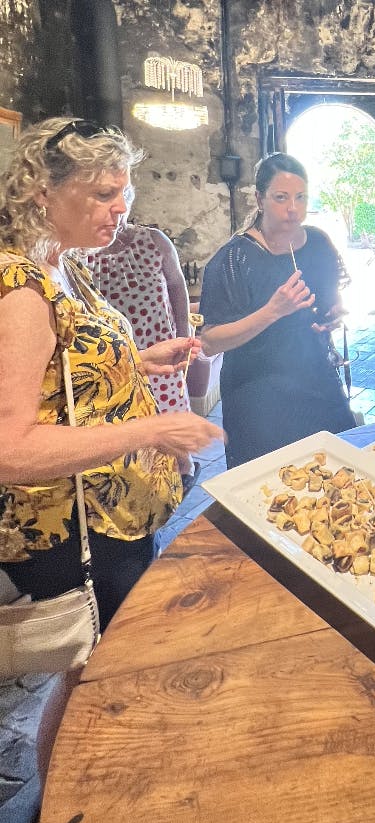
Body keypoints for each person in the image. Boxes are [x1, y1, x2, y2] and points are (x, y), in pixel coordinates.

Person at [0, 117, 224, 630]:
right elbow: (9, 448)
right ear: (42, 192)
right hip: (76, 529)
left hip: (114, 515)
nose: (121, 207)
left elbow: (60, 376)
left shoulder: (66, 263)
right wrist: (154, 428)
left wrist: (136, 360)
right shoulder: (23, 292)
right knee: (97, 663)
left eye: (124, 191)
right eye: (103, 193)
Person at [199, 152, 356, 468]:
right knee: (272, 487)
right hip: (259, 395)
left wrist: (333, 316)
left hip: (316, 378)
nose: (293, 209)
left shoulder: (318, 243)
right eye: (281, 198)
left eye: (301, 197)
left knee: (338, 469)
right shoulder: (234, 259)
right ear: (259, 198)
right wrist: (272, 311)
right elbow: (210, 341)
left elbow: (329, 301)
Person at [85, 188, 192, 413]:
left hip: (161, 352)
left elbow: (176, 286)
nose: (119, 208)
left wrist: (184, 334)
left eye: (124, 196)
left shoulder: (153, 241)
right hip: (112, 365)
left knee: (169, 433)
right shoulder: (80, 253)